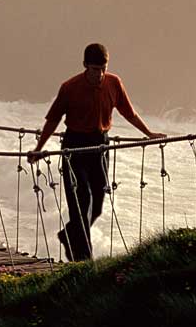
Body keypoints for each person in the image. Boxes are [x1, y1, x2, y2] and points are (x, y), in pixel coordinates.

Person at [28, 43, 166, 261]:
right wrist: (39, 149)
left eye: (103, 68)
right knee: (81, 200)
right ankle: (84, 261)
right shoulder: (70, 87)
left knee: (99, 204)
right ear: (85, 66)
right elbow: (53, 119)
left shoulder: (114, 83)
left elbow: (128, 113)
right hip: (75, 146)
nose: (100, 74)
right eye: (95, 69)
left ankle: (69, 234)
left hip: (100, 146)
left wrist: (149, 134)